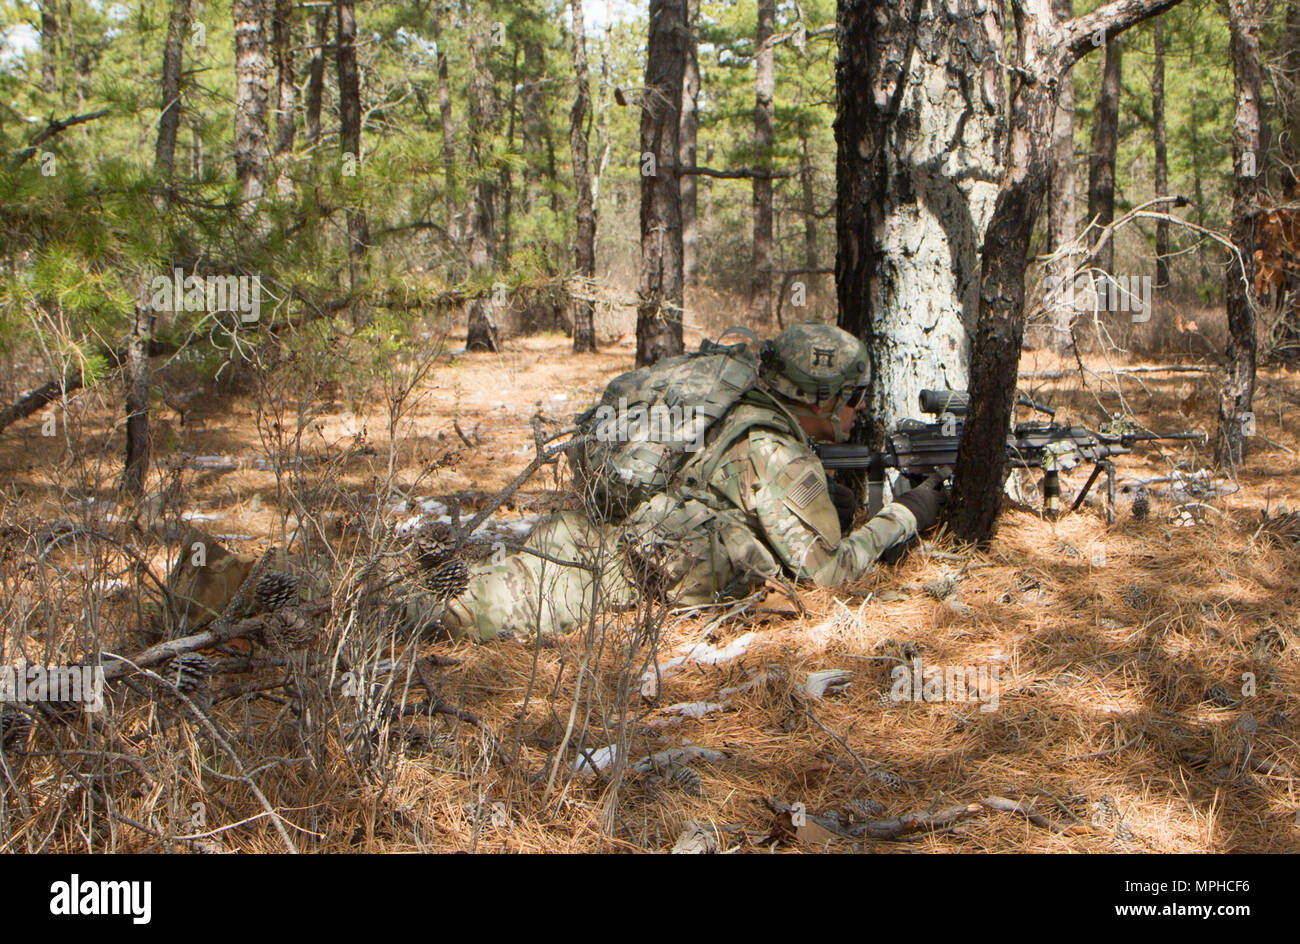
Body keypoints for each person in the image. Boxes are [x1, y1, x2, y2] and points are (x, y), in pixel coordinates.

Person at [401, 323, 947, 642]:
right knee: (460, 616)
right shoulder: (776, 451)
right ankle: (376, 606)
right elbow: (828, 576)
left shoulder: (732, 402)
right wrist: (906, 513)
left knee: (493, 583)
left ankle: (421, 582)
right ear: (818, 399)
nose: (860, 409)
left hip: (591, 537)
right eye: (853, 397)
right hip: (626, 577)